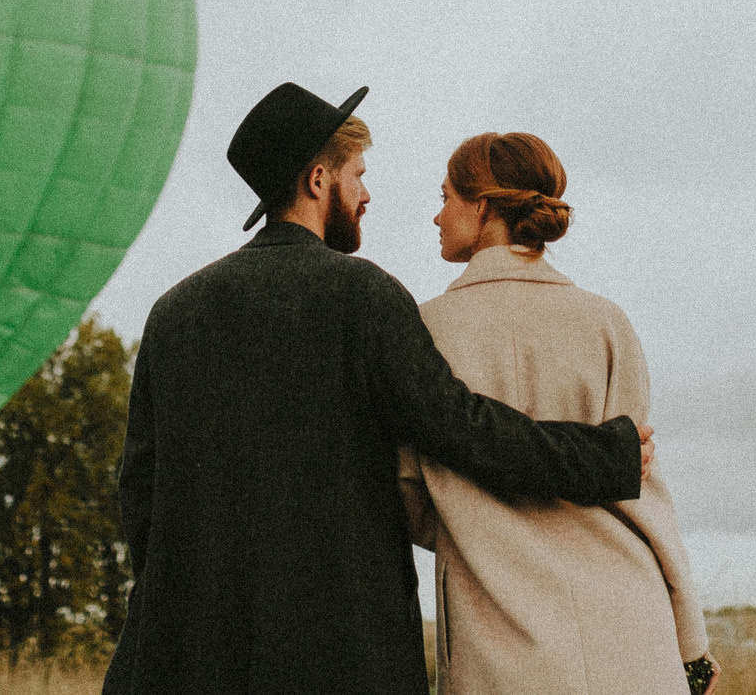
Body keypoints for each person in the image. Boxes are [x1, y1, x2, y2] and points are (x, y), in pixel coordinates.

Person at [102, 82, 655, 695]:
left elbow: (140, 492)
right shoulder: (362, 296)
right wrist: (607, 455)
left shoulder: (172, 313)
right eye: (357, 175)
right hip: (339, 655)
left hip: (181, 659)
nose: (366, 195)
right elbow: (464, 430)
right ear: (318, 180)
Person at [399, 131, 716, 695]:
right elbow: (645, 492)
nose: (436, 216)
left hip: (500, 647)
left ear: (483, 206)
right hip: (632, 641)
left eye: (445, 197)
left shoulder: (426, 331)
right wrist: (690, 644)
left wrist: (473, 524)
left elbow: (410, 491)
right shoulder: (605, 323)